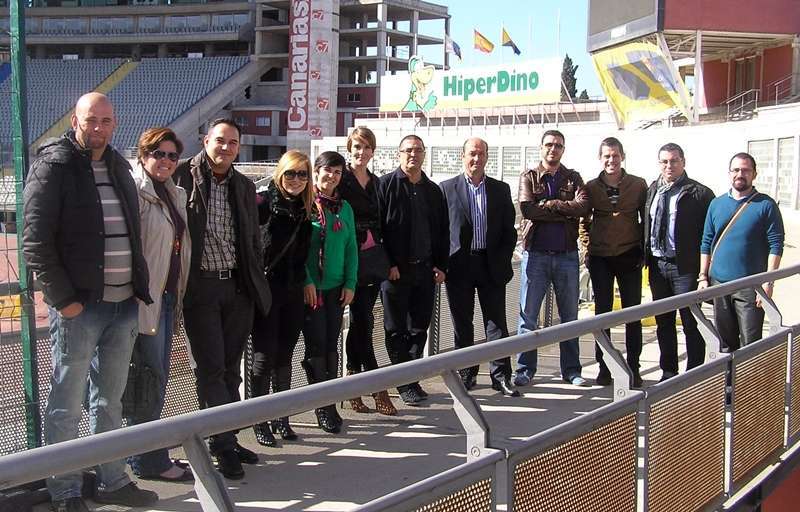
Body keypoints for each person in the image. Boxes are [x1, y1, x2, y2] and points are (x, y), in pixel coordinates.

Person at [22, 92, 158, 512]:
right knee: (66, 403)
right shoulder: (53, 165)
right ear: (75, 121)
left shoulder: (118, 165)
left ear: (115, 124)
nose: (98, 128)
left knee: (110, 401)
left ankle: (112, 479)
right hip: (80, 308)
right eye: (90, 120)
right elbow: (35, 242)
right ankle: (64, 491)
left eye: (106, 121)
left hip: (123, 304)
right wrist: (64, 301)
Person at [173, 119, 271, 480]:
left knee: (231, 369)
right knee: (211, 368)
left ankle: (225, 435)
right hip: (200, 288)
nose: (226, 148)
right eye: (220, 141)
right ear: (205, 141)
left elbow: (252, 239)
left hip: (237, 288)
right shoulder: (183, 177)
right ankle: (223, 445)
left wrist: (252, 278)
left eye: (232, 143)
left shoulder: (243, 185)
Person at [126, 128, 193, 482]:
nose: (166, 161)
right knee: (149, 380)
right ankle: (147, 460)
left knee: (155, 379)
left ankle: (143, 455)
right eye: (158, 154)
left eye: (172, 155)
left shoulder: (173, 192)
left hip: (167, 299)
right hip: (144, 301)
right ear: (143, 155)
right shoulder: (136, 191)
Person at [441, 137, 519, 396]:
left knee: (496, 323)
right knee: (462, 324)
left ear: (487, 157)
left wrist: (503, 258)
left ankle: (501, 376)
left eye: (481, 154)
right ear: (463, 156)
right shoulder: (447, 188)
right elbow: (441, 230)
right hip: (459, 265)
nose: (476, 159)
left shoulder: (500, 189)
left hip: (491, 264)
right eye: (472, 153)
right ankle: (466, 373)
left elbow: (509, 230)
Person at [515, 130, 590, 388]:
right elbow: (527, 209)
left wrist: (549, 204)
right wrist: (564, 210)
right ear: (541, 147)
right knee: (528, 318)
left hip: (566, 255)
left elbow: (583, 207)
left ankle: (571, 370)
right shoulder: (529, 176)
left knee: (570, 317)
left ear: (563, 150)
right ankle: (525, 369)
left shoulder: (573, 177)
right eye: (549, 144)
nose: (553, 149)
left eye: (558, 145)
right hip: (535, 255)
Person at [378, 135, 449, 405]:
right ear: (399, 154)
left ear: (424, 154)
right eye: (408, 150)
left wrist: (441, 265)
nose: (413, 155)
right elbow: (378, 230)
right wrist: (389, 264)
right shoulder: (385, 185)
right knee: (396, 329)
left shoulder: (433, 191)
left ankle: (412, 378)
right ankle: (403, 383)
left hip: (425, 271)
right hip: (395, 273)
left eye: (418, 150)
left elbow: (443, 231)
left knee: (419, 328)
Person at [249, 150, 313, 447]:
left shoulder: (304, 209)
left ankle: (281, 417)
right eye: (290, 173)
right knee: (263, 356)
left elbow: (303, 257)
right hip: (267, 291)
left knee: (285, 355)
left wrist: (305, 283)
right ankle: (259, 420)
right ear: (279, 174)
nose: (296, 180)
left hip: (293, 290)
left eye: (302, 174)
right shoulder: (263, 204)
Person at [699, 152, 784, 351]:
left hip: (751, 286)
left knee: (750, 344)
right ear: (729, 173)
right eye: (736, 170)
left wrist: (768, 281)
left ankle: (748, 373)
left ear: (754, 174)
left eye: (746, 170)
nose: (740, 174)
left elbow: (776, 244)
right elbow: (706, 242)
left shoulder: (766, 205)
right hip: (719, 284)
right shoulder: (716, 204)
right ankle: (728, 373)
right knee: (724, 344)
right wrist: (703, 277)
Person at [581, 137, 648, 388]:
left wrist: (643, 250)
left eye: (615, 155)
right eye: (607, 156)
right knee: (603, 314)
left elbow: (645, 218)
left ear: (623, 156)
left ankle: (634, 367)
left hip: (629, 254)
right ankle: (604, 366)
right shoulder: (591, 187)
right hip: (601, 257)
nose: (611, 160)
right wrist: (587, 247)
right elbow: (583, 221)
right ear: (600, 158)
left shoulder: (638, 185)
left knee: (633, 313)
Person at [338, 127, 397, 416]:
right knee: (363, 321)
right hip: (348, 258)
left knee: (363, 321)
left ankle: (352, 378)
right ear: (349, 150)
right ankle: (376, 386)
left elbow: (384, 223)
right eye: (357, 147)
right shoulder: (342, 180)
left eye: (366, 147)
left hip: (372, 259)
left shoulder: (376, 183)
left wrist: (391, 261)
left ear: (373, 151)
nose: (361, 153)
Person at [644, 143, 715, 381]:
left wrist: (705, 270)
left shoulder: (699, 193)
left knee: (689, 319)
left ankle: (694, 370)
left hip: (685, 267)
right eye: (664, 161)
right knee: (663, 321)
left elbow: (710, 233)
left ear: (683, 162)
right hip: (658, 265)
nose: (669, 166)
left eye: (674, 161)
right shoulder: (653, 190)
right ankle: (668, 370)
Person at [302, 151, 359, 433]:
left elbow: (351, 247)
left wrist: (350, 283)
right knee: (316, 347)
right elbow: (299, 249)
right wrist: (307, 281)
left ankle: (330, 403)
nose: (332, 177)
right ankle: (320, 407)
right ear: (316, 171)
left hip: (336, 289)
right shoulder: (306, 204)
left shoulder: (344, 207)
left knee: (331, 347)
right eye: (327, 170)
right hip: (313, 290)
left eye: (337, 172)